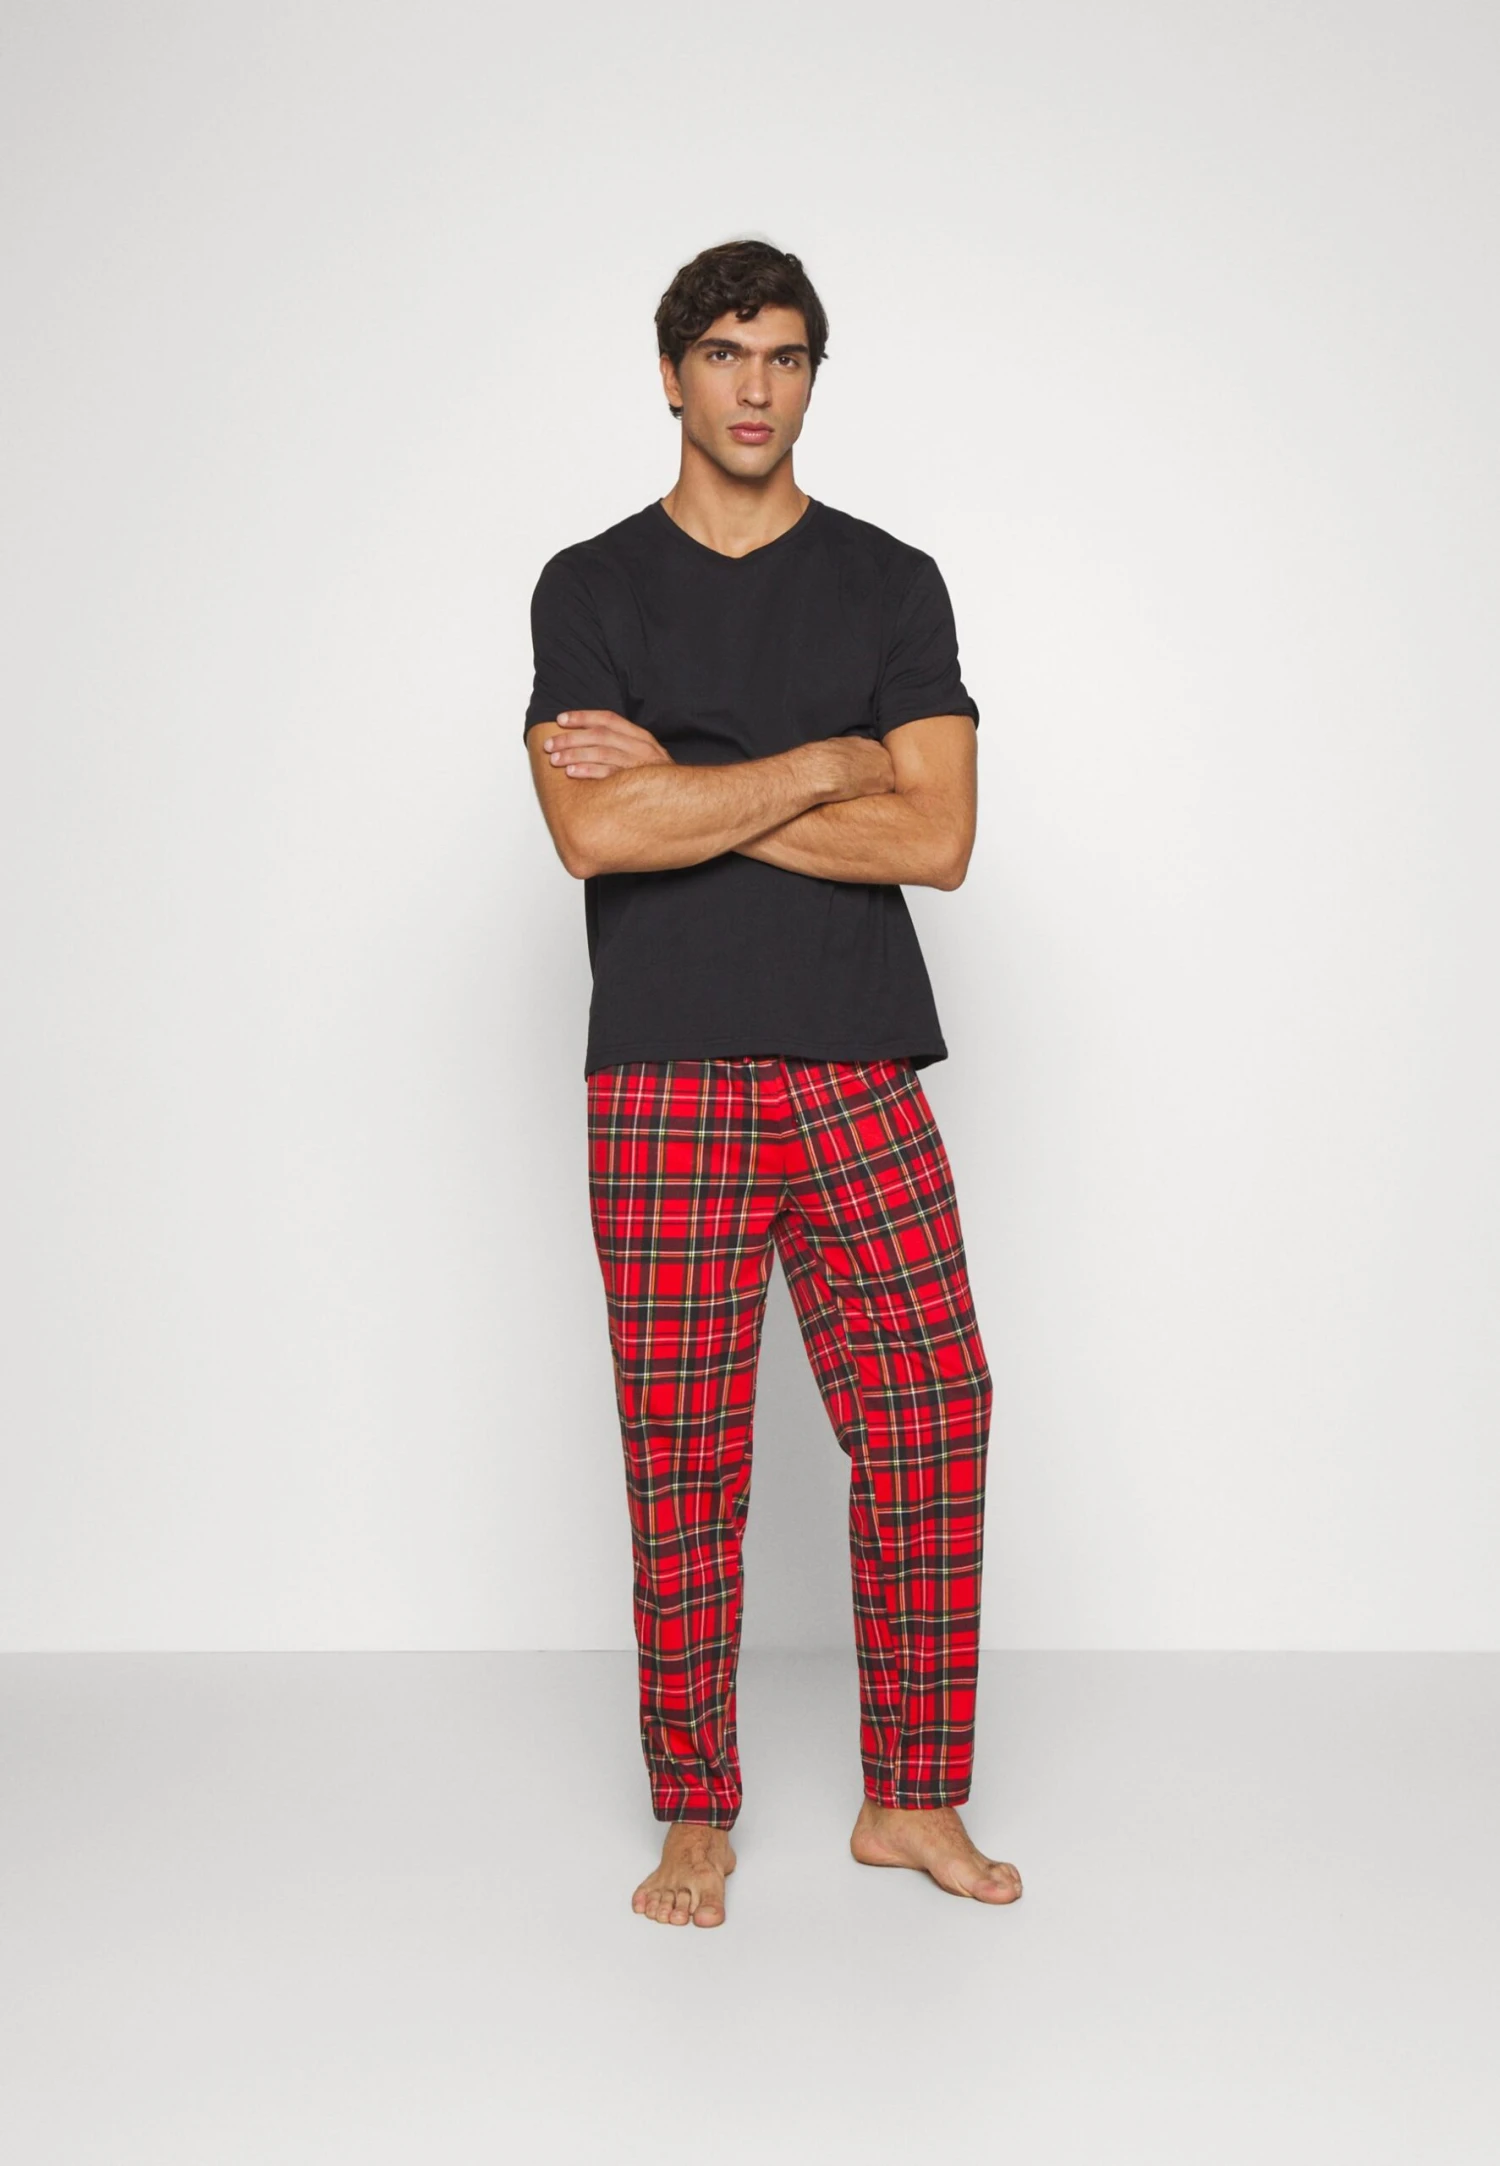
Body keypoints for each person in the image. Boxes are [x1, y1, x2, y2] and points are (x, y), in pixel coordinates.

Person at [522, 237, 1022, 1928]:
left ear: (813, 378)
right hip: (663, 1070)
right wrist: (820, 764)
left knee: (933, 1411)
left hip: (857, 1058)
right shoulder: (590, 586)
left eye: (786, 355)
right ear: (671, 374)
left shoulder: (892, 584)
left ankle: (912, 1794)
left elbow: (936, 838)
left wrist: (692, 784)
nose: (755, 385)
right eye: (726, 352)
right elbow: (594, 829)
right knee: (683, 1444)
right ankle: (695, 1811)